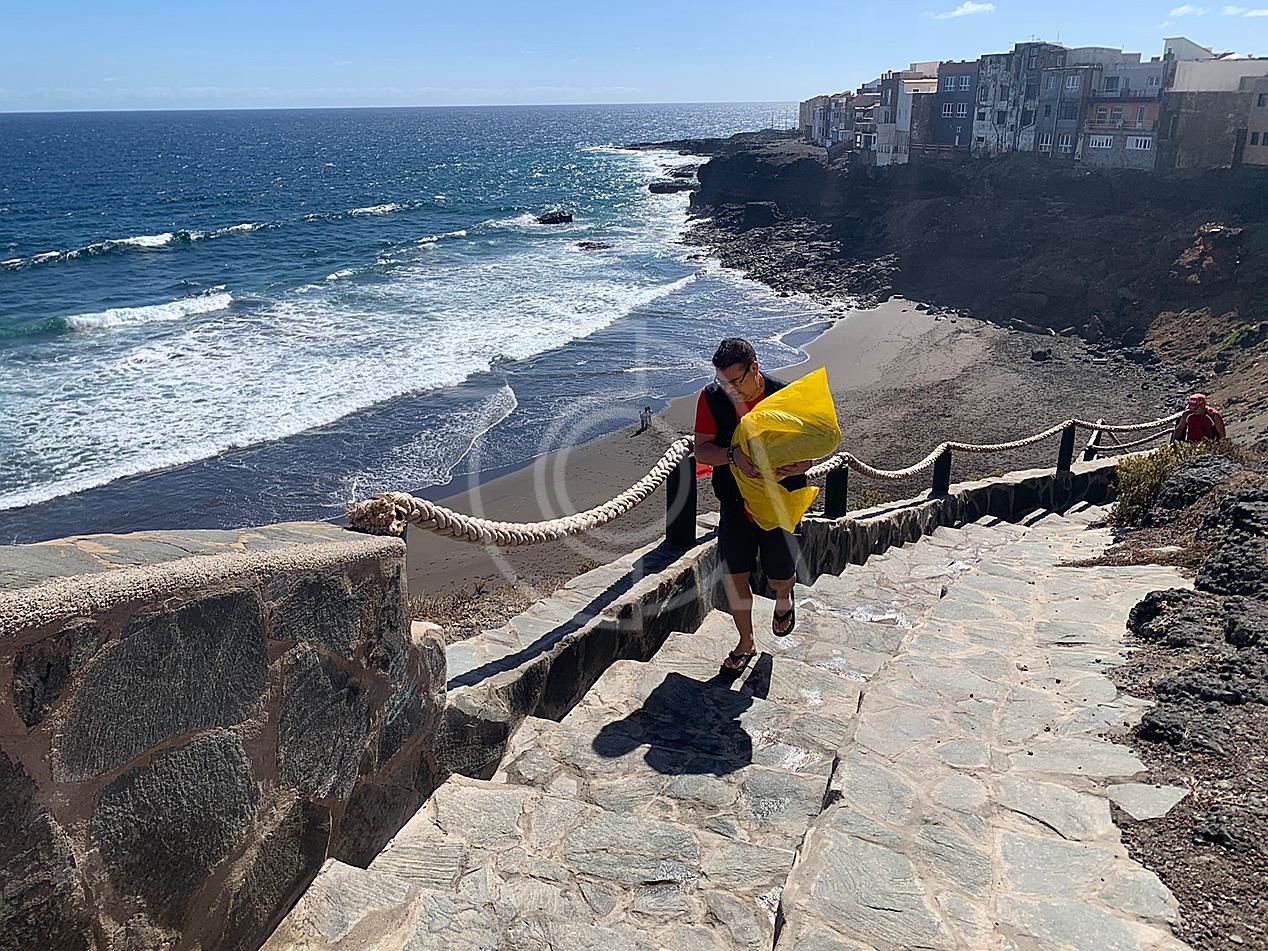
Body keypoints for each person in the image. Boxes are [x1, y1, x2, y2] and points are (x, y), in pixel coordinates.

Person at [694, 337, 816, 672]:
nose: (729, 389)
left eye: (735, 381)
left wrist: (803, 464)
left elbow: (811, 447)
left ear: (755, 368)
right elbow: (702, 450)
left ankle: (783, 598)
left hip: (781, 501)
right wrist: (732, 456)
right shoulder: (711, 397)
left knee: (780, 575)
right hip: (734, 500)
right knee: (735, 574)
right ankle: (746, 642)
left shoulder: (786, 396)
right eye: (723, 382)